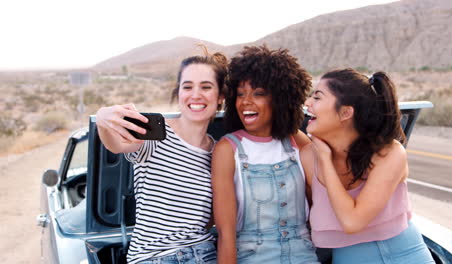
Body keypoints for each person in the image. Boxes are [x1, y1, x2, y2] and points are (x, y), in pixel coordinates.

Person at [95, 49, 228, 264]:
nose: (195, 94)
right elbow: (117, 145)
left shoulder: (219, 150)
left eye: (206, 87)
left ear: (220, 96)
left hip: (204, 254)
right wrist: (103, 118)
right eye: (187, 87)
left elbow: (211, 218)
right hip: (153, 258)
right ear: (179, 93)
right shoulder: (157, 136)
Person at [301, 68, 435, 263]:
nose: (307, 103)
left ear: (346, 112)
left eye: (317, 98)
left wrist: (325, 159)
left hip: (407, 257)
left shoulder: (389, 153)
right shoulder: (306, 157)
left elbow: (352, 222)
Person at [212, 45, 321, 264]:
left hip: (303, 255)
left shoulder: (295, 140)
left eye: (258, 93)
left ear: (280, 98)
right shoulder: (228, 149)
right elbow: (226, 233)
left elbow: (320, 200)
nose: (245, 102)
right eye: (240, 94)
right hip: (253, 257)